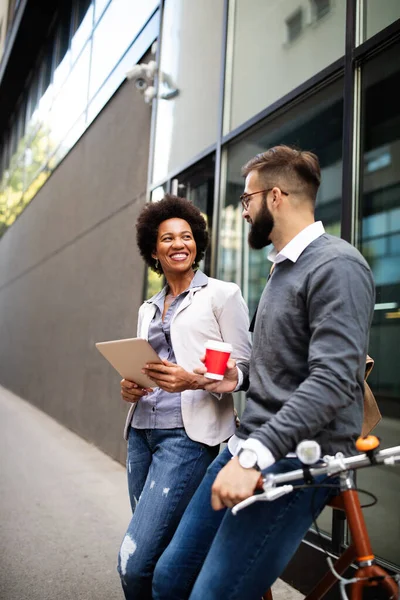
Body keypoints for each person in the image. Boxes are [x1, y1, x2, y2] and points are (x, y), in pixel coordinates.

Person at [151, 146, 376, 600]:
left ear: (275, 197)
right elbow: (274, 364)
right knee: (169, 579)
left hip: (295, 458)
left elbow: (333, 380)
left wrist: (255, 456)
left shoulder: (337, 265)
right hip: (248, 445)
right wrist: (231, 378)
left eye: (247, 200)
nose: (245, 212)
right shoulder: (282, 270)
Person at [117, 194, 251, 599]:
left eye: (187, 236)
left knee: (135, 563)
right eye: (168, 238)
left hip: (188, 438)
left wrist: (193, 380)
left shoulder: (222, 295)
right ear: (153, 250)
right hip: (141, 433)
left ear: (197, 244)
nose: (179, 244)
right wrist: (129, 386)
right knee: (160, 553)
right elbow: (146, 366)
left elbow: (247, 372)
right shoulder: (148, 307)